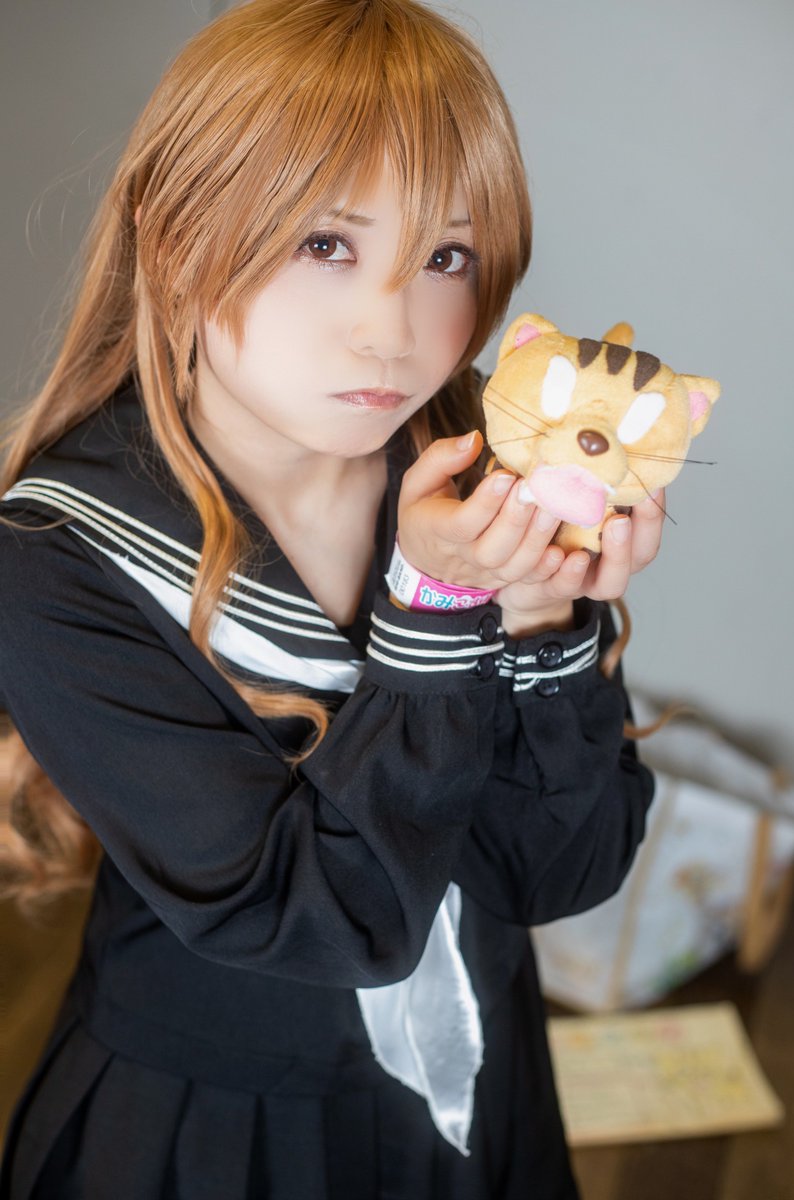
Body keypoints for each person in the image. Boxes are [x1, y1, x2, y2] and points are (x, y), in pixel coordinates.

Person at [0, 1, 664, 1196]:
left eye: (445, 257)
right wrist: (434, 606)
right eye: (323, 243)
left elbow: (553, 875)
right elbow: (321, 917)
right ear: (171, 234)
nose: (390, 332)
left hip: (489, 1093)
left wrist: (539, 619)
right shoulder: (55, 555)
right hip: (213, 1125)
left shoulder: (482, 466)